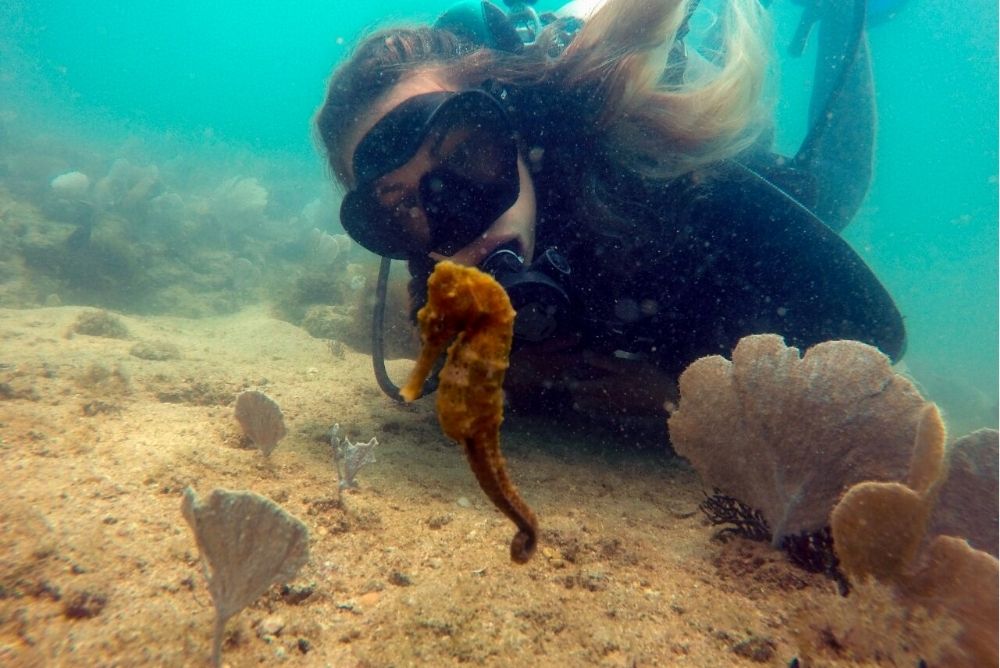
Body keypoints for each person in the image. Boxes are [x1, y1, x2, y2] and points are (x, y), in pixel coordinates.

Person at [314, 0, 905, 424]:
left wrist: (685, 393)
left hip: (685, 153)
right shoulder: (433, 259)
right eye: (400, 204)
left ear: (511, 120)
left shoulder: (647, 171)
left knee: (833, 191)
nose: (457, 216)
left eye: (466, 152)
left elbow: (867, 334)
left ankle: (837, 13)